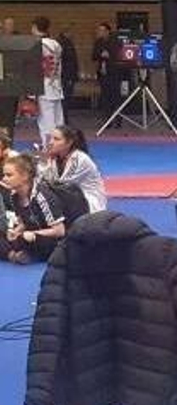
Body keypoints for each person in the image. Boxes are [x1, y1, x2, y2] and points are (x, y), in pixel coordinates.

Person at [2, 154, 79, 264]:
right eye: (4, 175)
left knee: (26, 240)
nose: (4, 179)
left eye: (9, 175)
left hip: (53, 241)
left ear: (25, 176)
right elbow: (24, 223)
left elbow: (60, 231)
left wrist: (33, 234)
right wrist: (16, 231)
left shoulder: (42, 196)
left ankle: (16, 253)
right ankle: (13, 255)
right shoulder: (14, 196)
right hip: (30, 236)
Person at [39, 126, 107, 214]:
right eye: (51, 138)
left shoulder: (79, 158)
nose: (51, 142)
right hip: (73, 202)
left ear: (69, 143)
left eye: (56, 139)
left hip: (91, 205)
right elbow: (44, 180)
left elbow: (62, 187)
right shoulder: (55, 159)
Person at [32, 17, 64, 145]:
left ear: (35, 27)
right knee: (58, 122)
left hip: (43, 87)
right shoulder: (56, 44)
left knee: (46, 123)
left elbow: (34, 68)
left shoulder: (37, 45)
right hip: (56, 86)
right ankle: (62, 147)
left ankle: (49, 149)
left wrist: (30, 93)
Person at [92, 22, 119, 113]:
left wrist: (110, 55)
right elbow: (93, 56)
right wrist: (100, 54)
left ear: (108, 31)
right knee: (105, 95)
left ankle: (117, 118)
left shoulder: (115, 41)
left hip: (114, 71)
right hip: (103, 72)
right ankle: (107, 116)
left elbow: (119, 55)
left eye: (102, 30)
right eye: (99, 30)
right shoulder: (98, 42)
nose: (100, 32)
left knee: (115, 95)